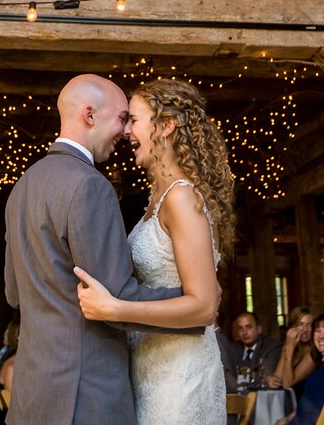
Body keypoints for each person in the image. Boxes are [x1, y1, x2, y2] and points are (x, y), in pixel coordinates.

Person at [4, 73, 190, 424]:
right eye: (121, 119)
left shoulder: (22, 187)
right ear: (90, 115)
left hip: (33, 391)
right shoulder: (90, 185)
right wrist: (194, 305)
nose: (125, 132)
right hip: (86, 392)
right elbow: (116, 296)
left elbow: (14, 293)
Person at [74, 77, 236, 424]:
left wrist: (116, 309)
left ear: (166, 126)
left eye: (133, 119)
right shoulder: (158, 199)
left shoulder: (180, 197)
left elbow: (205, 305)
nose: (126, 131)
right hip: (150, 365)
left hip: (180, 373)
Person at [225, 312, 282, 391]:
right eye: (240, 328)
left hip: (262, 397)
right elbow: (227, 375)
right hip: (239, 397)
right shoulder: (233, 348)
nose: (244, 332)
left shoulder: (272, 346)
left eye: (249, 327)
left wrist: (240, 378)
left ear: (258, 329)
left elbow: (266, 375)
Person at [269, 306, 314, 402]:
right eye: (300, 324)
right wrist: (269, 379)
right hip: (289, 401)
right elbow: (278, 377)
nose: (305, 330)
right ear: (292, 328)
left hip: (305, 404)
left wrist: (290, 348)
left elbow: (287, 385)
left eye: (309, 325)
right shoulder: (289, 345)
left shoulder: (313, 352)